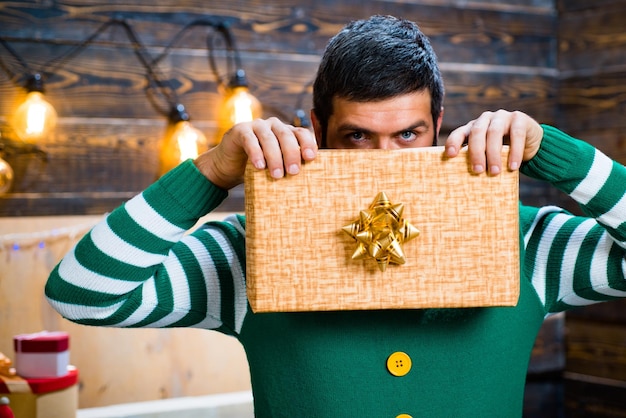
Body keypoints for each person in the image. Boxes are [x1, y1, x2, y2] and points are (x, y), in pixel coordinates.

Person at [45, 15, 625, 417]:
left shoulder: (526, 240)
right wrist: (212, 172)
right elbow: (84, 293)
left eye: (407, 134)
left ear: (439, 123)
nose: (384, 162)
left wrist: (557, 153)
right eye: (357, 136)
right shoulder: (251, 248)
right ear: (318, 130)